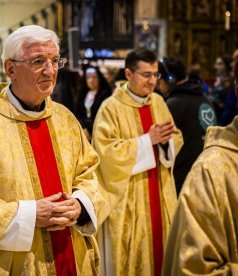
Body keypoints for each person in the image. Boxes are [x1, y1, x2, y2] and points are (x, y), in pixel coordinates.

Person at [0, 25, 106, 275]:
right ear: (10, 69)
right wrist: (29, 214)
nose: (50, 70)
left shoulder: (65, 119)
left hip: (70, 255)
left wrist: (80, 204)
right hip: (16, 263)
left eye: (55, 60)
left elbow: (89, 174)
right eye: (38, 61)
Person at [91, 47, 183, 276]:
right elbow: (105, 154)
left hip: (160, 193)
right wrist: (146, 141)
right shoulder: (110, 108)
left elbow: (175, 137)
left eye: (155, 75)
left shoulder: (159, 103)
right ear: (129, 75)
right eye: (146, 75)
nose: (152, 81)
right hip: (128, 199)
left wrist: (163, 143)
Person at [162, 64, 238, 276]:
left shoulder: (172, 103)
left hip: (183, 169)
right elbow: (192, 266)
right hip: (189, 172)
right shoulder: (211, 172)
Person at [157, 57, 216, 194]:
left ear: (170, 79)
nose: (157, 86)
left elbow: (165, 145)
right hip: (206, 173)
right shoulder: (205, 99)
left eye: (159, 81)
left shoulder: (173, 104)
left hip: (183, 179)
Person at [74, 66, 112, 141]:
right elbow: (77, 113)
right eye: (88, 77)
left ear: (99, 79)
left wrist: (90, 131)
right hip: (83, 132)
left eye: (94, 77)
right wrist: (84, 128)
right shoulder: (82, 94)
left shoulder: (105, 95)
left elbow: (104, 116)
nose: (91, 80)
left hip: (99, 132)